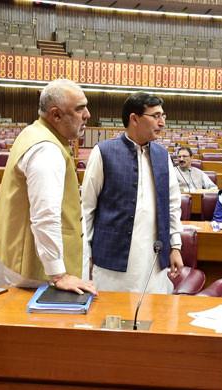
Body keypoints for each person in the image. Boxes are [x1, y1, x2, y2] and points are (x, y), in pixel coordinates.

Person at [0, 79, 97, 295]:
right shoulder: (47, 150)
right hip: (34, 272)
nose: (88, 114)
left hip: (13, 254)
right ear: (56, 115)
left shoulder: (33, 132)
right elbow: (45, 215)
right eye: (80, 108)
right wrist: (58, 273)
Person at [82, 92, 183, 293]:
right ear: (134, 118)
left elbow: (172, 204)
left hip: (154, 259)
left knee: (153, 315)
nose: (162, 122)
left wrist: (176, 246)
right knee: (112, 318)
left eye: (163, 116)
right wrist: (86, 256)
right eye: (155, 116)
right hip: (112, 259)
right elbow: (87, 209)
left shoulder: (162, 155)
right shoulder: (103, 152)